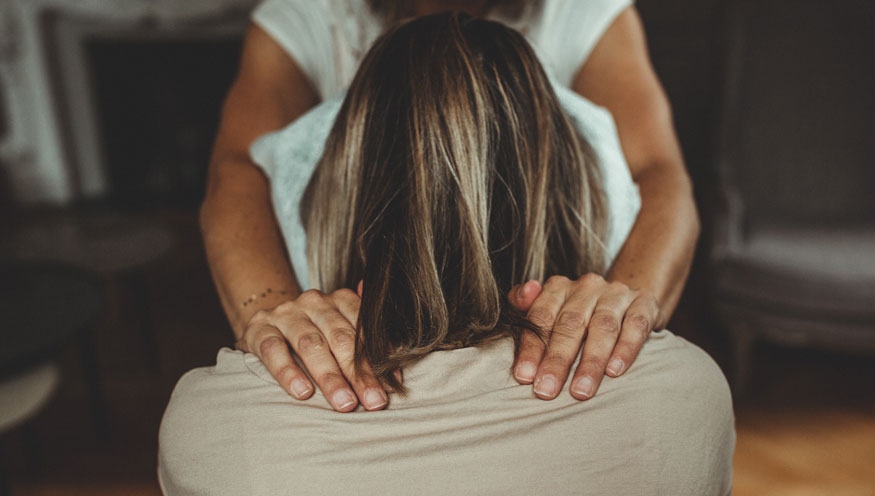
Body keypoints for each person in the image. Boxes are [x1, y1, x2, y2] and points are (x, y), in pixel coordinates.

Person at [160, 14, 734, 496]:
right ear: (576, 193)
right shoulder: (686, 391)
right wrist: (272, 311)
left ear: (326, 207)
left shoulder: (207, 422)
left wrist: (622, 310)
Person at [199, 0, 700, 412]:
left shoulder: (582, 11)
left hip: (543, 296)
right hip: (360, 305)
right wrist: (273, 316)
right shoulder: (308, 15)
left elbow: (660, 175)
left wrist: (617, 309)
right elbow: (237, 173)